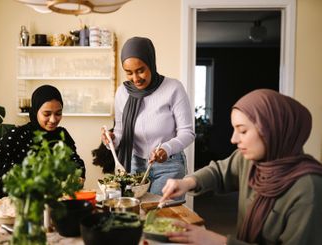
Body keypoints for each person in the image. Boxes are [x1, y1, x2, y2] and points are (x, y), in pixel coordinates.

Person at [160, 89, 322, 245]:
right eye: (234, 129)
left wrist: (221, 242)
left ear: (272, 131)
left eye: (243, 131)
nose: (233, 139)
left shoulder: (309, 189)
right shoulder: (249, 159)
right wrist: (187, 183)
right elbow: (218, 172)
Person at [102, 36, 195, 196]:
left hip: (169, 165)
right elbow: (120, 132)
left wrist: (166, 148)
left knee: (160, 215)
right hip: (134, 165)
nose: (135, 79)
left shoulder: (173, 88)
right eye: (129, 73)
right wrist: (111, 140)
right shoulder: (122, 93)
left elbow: (187, 133)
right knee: (135, 214)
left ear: (151, 63)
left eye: (140, 70)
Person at [0, 85, 85, 200]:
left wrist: (77, 174)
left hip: (56, 202)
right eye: (47, 114)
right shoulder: (18, 134)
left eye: (58, 113)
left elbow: (75, 161)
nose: (53, 120)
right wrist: (29, 175)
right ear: (35, 111)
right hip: (21, 206)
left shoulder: (62, 135)